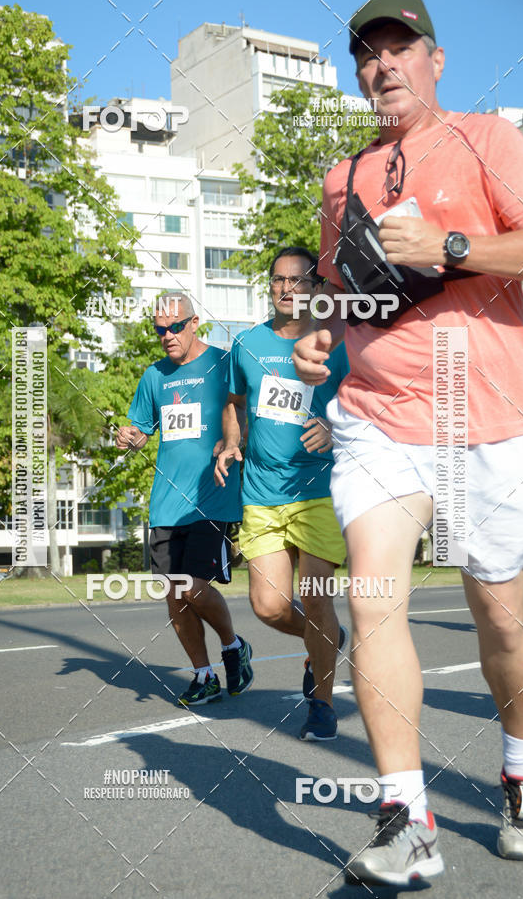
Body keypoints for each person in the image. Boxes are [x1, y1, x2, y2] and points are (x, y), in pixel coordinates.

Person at [292, 0, 523, 885]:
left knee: (501, 616)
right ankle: (408, 818)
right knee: (372, 601)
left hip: (487, 418)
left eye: (400, 48)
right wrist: (320, 331)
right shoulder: (340, 177)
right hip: (377, 417)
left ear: (435, 60)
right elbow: (334, 287)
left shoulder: (490, 140)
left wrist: (452, 243)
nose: (383, 65)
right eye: (367, 54)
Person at [214, 247, 350, 740]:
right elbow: (233, 403)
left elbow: (369, 404)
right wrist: (231, 440)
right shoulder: (247, 345)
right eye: (278, 280)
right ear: (269, 287)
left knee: (314, 596)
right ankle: (328, 643)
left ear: (316, 289)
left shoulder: (336, 344)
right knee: (269, 607)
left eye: (298, 281)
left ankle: (322, 705)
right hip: (262, 491)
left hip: (318, 489)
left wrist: (337, 430)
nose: (287, 289)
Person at [116, 293, 253, 706]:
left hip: (213, 496)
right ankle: (204, 674)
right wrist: (127, 437)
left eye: (175, 327)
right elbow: (140, 432)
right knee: (174, 593)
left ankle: (233, 646)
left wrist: (236, 444)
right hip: (166, 503)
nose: (167, 336)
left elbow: (245, 415)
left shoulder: (224, 364)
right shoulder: (154, 377)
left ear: (195, 324)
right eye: (160, 329)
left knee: (192, 585)